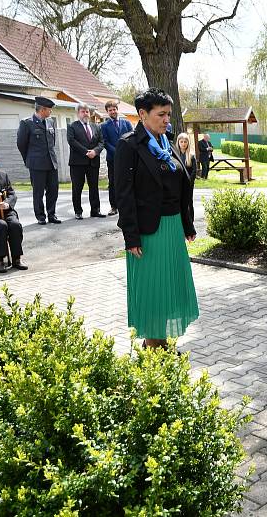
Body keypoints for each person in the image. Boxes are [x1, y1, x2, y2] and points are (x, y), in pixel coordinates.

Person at [115, 88, 198, 350]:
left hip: (172, 227)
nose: (166, 120)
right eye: (161, 114)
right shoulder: (129, 146)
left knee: (170, 287)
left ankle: (161, 341)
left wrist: (186, 224)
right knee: (153, 289)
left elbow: (182, 188)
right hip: (148, 231)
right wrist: (131, 236)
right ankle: (154, 345)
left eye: (169, 114)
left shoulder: (167, 143)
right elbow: (123, 195)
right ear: (142, 114)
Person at [17, 96, 61, 224]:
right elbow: (21, 144)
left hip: (51, 162)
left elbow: (52, 142)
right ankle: (41, 216)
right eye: (49, 109)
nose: (51, 112)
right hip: (36, 164)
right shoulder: (26, 123)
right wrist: (29, 159)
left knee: (53, 190)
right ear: (42, 109)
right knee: (38, 192)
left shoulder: (50, 122)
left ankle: (52, 215)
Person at [67, 104, 106, 220]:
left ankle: (95, 210)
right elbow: (72, 141)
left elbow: (101, 142)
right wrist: (86, 152)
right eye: (83, 111)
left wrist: (95, 151)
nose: (86, 114)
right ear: (78, 113)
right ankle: (78, 211)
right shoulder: (72, 126)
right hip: (77, 163)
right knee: (77, 188)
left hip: (93, 161)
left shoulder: (96, 127)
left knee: (94, 187)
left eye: (87, 111)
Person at [101, 100, 134, 216]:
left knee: (128, 180)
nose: (113, 111)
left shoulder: (127, 123)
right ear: (107, 112)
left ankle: (127, 204)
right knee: (113, 182)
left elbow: (132, 138)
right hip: (112, 159)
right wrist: (117, 152)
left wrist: (124, 152)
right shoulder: (104, 126)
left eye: (114, 109)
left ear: (117, 110)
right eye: (110, 110)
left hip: (127, 158)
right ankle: (114, 206)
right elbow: (105, 142)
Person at [175, 132, 198, 221]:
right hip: (178, 183)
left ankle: (190, 220)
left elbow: (194, 171)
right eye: (181, 142)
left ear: (188, 143)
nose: (183, 144)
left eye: (185, 142)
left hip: (188, 183)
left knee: (188, 201)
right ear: (178, 142)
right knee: (180, 201)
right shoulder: (175, 155)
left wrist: (189, 181)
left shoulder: (191, 155)